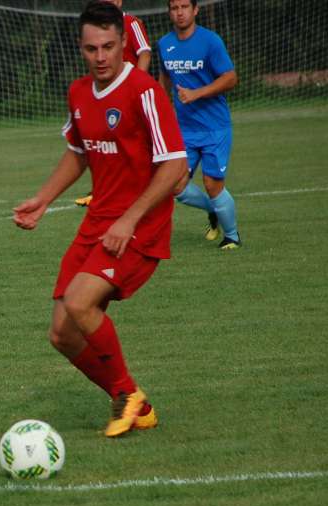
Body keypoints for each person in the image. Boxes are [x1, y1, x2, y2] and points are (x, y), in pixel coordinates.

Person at [13, 1, 187, 437]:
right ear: (81, 48)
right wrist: (42, 199)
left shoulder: (145, 91)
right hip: (97, 223)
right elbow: (78, 153)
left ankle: (126, 395)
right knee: (62, 334)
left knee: (79, 302)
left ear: (123, 43)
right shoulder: (78, 93)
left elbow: (174, 166)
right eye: (92, 48)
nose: (101, 56)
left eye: (109, 46)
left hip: (139, 226)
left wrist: (129, 220)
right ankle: (136, 403)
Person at [159, 0, 241, 249]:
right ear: (170, 12)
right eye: (174, 8)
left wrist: (197, 93)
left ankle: (232, 236)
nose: (179, 12)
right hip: (184, 129)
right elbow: (164, 78)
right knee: (175, 185)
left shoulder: (210, 41)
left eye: (184, 6)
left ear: (195, 10)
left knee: (212, 184)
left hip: (215, 128)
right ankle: (213, 210)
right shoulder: (165, 44)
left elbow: (230, 78)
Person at [74, 0, 152, 208]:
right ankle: (100, 190)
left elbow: (144, 52)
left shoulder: (130, 22)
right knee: (102, 141)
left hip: (128, 97)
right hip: (108, 96)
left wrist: (136, 84)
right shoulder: (97, 28)